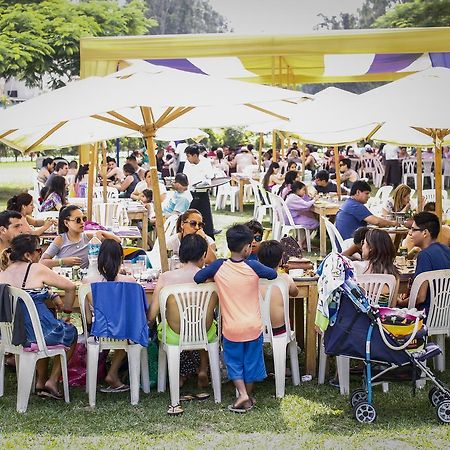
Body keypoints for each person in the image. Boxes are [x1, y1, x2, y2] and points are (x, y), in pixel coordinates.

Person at [194, 225, 277, 413]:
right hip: (253, 327)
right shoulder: (253, 266)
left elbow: (198, 277)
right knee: (251, 362)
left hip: (231, 329)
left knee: (234, 362)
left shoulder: (219, 266)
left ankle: (242, 394)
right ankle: (246, 394)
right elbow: (272, 274)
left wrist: (214, 278)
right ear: (248, 247)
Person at [0, 234, 77, 399]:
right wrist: (66, 313)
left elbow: (26, 290)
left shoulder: (3, 272)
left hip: (13, 335)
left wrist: (51, 294)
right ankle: (52, 380)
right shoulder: (35, 268)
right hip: (37, 333)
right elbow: (70, 287)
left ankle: (41, 381)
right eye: (38, 250)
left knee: (45, 331)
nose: (41, 254)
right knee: (70, 332)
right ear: (28, 255)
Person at [149, 234, 218, 412]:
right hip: (205, 331)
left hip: (175, 332)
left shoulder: (166, 278)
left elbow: (153, 312)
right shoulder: (210, 279)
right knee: (207, 324)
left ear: (180, 254)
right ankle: (203, 368)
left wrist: (149, 322)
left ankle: (179, 374)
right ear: (203, 255)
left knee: (163, 329)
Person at [83, 239, 135, 392]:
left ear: (99, 259)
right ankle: (113, 372)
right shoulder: (130, 281)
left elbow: (86, 318)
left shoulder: (87, 282)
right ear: (121, 259)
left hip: (99, 331)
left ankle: (110, 373)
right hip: (124, 332)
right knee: (133, 332)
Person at [396, 212, 450, 316]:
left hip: (426, 315)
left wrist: (401, 303)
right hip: (445, 316)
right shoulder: (447, 250)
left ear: (425, 233)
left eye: (413, 229)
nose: (410, 233)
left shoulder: (424, 256)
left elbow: (420, 297)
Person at [41, 205, 120, 269]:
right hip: (66, 279)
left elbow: (117, 241)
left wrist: (102, 232)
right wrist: (63, 261)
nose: (82, 222)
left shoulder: (89, 237)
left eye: (84, 219)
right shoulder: (61, 239)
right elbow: (43, 261)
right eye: (78, 220)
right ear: (66, 223)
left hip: (86, 278)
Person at [258, 240, 299, 332]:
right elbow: (295, 293)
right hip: (279, 330)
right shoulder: (285, 279)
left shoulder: (253, 279)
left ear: (259, 260)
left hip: (257, 331)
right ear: (280, 260)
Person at [352, 229, 399, 306]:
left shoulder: (356, 267)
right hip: (382, 316)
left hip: (358, 316)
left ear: (371, 248)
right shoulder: (394, 274)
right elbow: (392, 306)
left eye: (364, 243)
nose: (362, 247)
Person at [183, 145, 216, 239]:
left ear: (195, 155)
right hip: (191, 193)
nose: (187, 158)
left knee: (206, 217)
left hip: (203, 192)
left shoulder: (205, 162)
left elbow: (210, 176)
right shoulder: (187, 163)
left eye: (188, 156)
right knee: (190, 216)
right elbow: (186, 177)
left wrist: (204, 182)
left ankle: (209, 238)